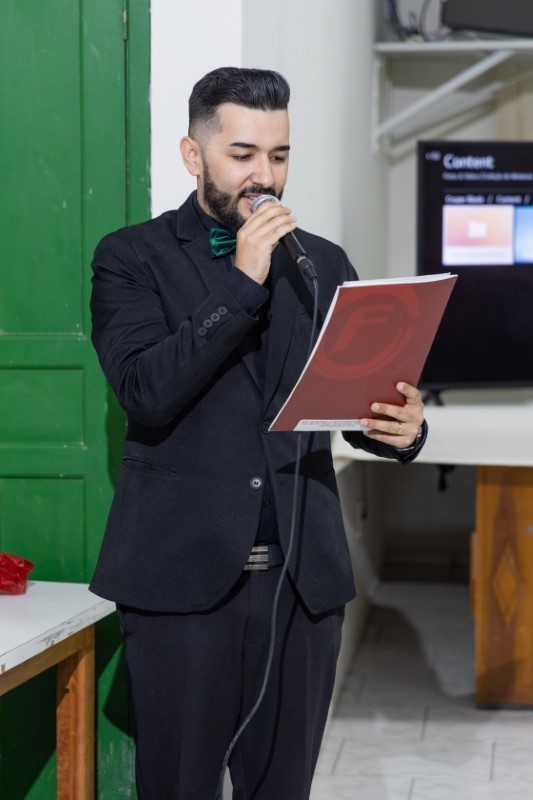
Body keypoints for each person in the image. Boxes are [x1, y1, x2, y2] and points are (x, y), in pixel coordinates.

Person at [89, 66, 427, 800]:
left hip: (302, 588)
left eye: (278, 155)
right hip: (180, 588)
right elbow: (145, 391)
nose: (264, 176)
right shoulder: (130, 258)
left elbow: (347, 406)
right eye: (242, 154)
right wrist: (241, 282)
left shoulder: (322, 263)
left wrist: (401, 430)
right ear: (193, 154)